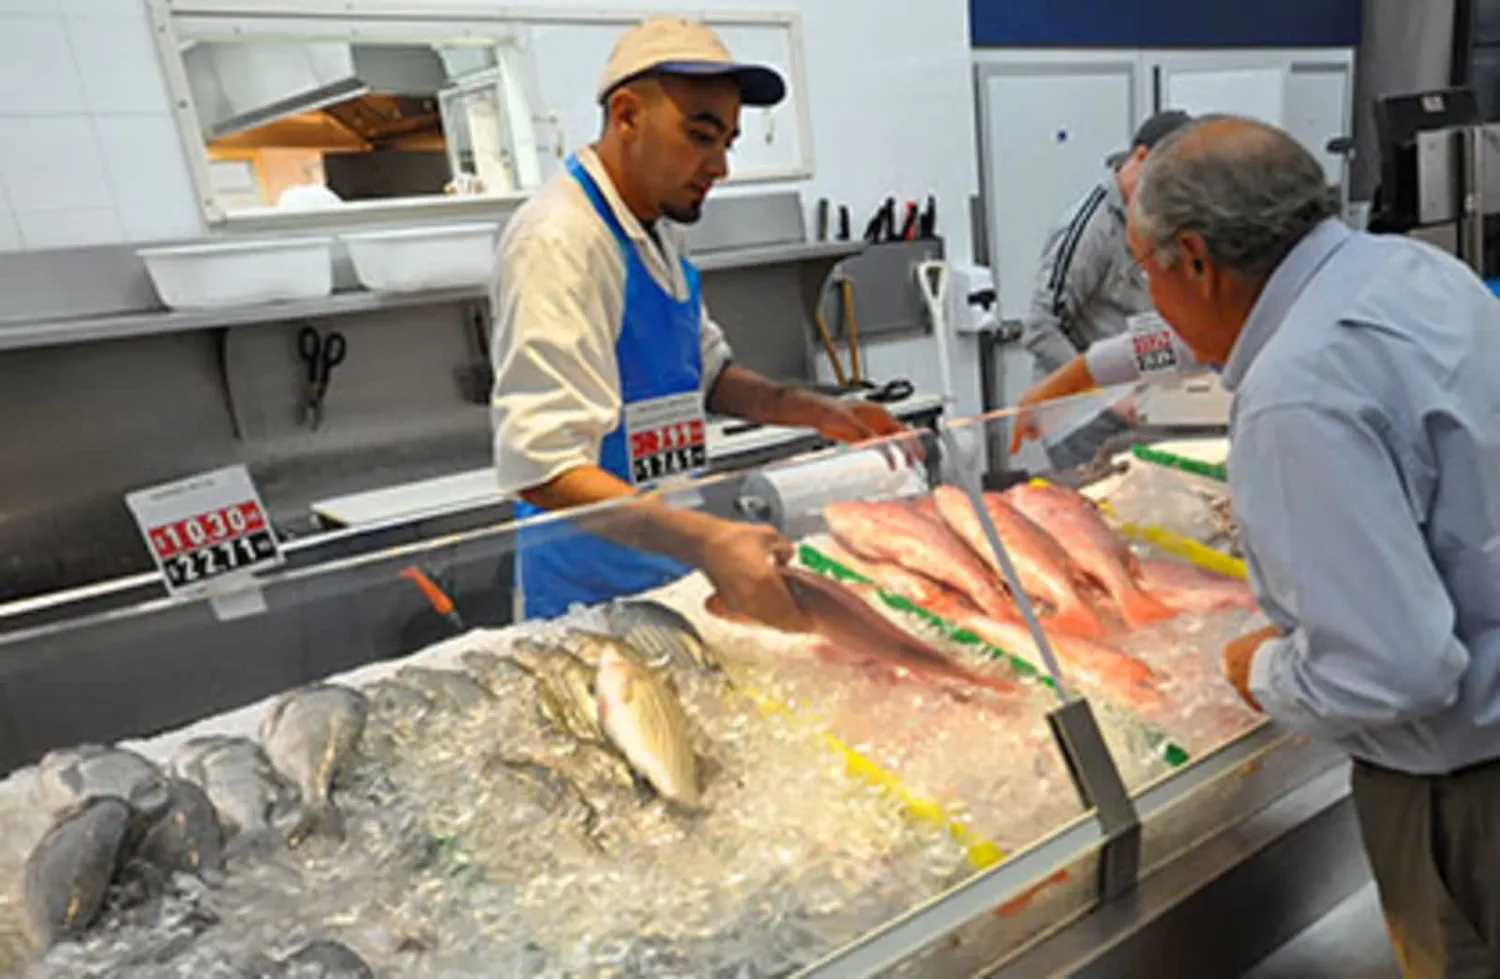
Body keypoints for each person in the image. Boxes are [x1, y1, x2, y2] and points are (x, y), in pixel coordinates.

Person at [1023, 114, 1500, 977]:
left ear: (1197, 260)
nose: (1150, 295)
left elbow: (1397, 670)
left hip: (1461, 802)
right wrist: (1071, 377)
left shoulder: (1299, 389)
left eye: (1148, 272)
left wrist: (1261, 669)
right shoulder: (1417, 271)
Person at [490, 17, 907, 629]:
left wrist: (821, 412)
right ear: (627, 115)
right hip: (590, 606)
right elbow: (542, 467)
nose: (720, 166)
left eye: (728, 142)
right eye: (700, 136)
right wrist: (708, 539)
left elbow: (707, 375)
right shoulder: (560, 240)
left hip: (669, 577)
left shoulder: (658, 228)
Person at [1017, 109, 1192, 469]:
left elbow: (1145, 316)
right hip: (1084, 422)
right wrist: (1103, 394)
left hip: (1139, 411)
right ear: (1141, 158)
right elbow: (1039, 328)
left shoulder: (1153, 217)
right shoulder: (1090, 228)